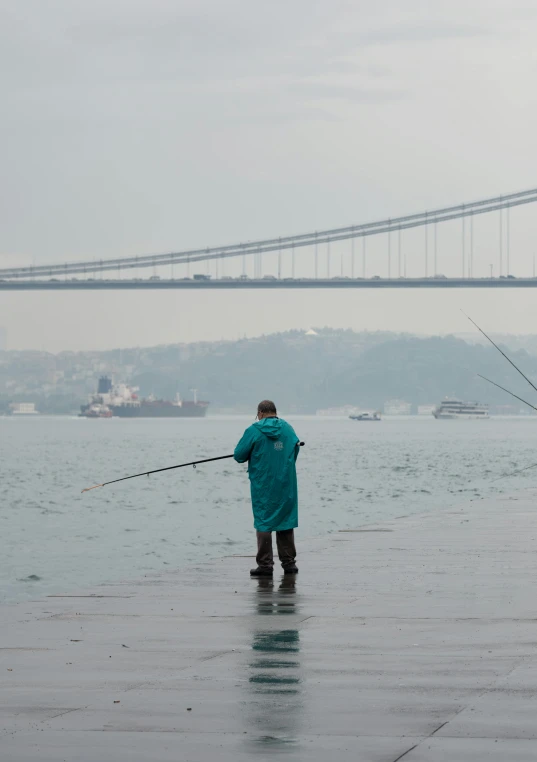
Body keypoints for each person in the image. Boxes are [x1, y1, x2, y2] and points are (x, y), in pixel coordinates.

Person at [234, 400, 301, 577]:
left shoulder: (254, 430)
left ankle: (265, 565)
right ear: (275, 412)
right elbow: (294, 451)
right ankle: (289, 563)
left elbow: (239, 455)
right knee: (285, 520)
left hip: (263, 485)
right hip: (286, 483)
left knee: (264, 521)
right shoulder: (288, 429)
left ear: (261, 413)